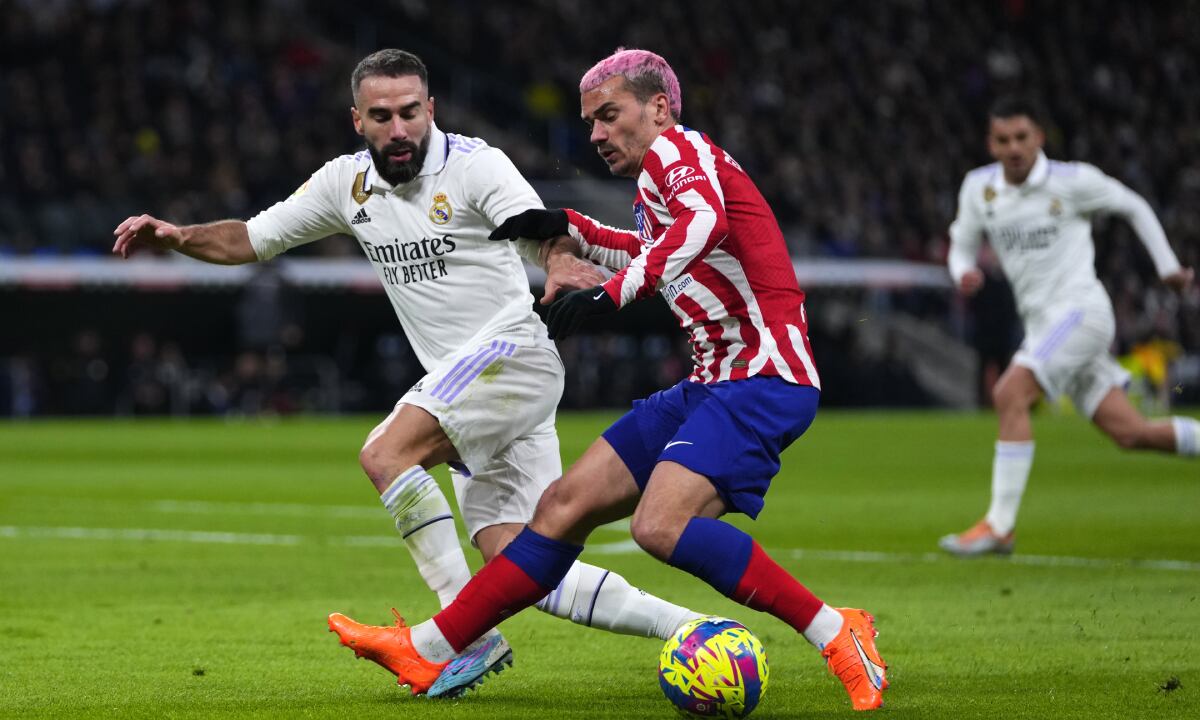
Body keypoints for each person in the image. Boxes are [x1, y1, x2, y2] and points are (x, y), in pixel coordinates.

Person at [112, 48, 707, 699]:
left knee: (385, 452)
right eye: (381, 115)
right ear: (357, 120)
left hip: (510, 353)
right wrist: (177, 237)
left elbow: (539, 227)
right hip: (477, 386)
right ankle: (698, 628)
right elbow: (252, 238)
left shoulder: (475, 165)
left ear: (431, 109)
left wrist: (558, 261)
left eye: (408, 112)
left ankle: (460, 641)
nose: (398, 128)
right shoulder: (346, 185)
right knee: (524, 564)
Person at [327, 48, 889, 712]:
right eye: (590, 121)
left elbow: (703, 229)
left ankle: (836, 630)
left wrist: (611, 295)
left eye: (607, 116)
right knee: (561, 508)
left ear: (659, 108)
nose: (594, 135)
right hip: (711, 384)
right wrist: (574, 228)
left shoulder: (687, 159)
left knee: (659, 525)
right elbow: (656, 242)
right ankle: (429, 649)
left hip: (763, 377)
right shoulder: (663, 181)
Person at [939, 96, 1198, 557]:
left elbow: (1133, 205)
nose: (1014, 147)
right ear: (991, 143)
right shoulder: (978, 188)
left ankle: (999, 527)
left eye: (1023, 137)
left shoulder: (1072, 180)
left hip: (1081, 312)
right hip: (1044, 327)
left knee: (1009, 393)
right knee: (1131, 432)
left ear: (1039, 137)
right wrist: (962, 273)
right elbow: (960, 244)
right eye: (1004, 139)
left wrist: (1168, 267)